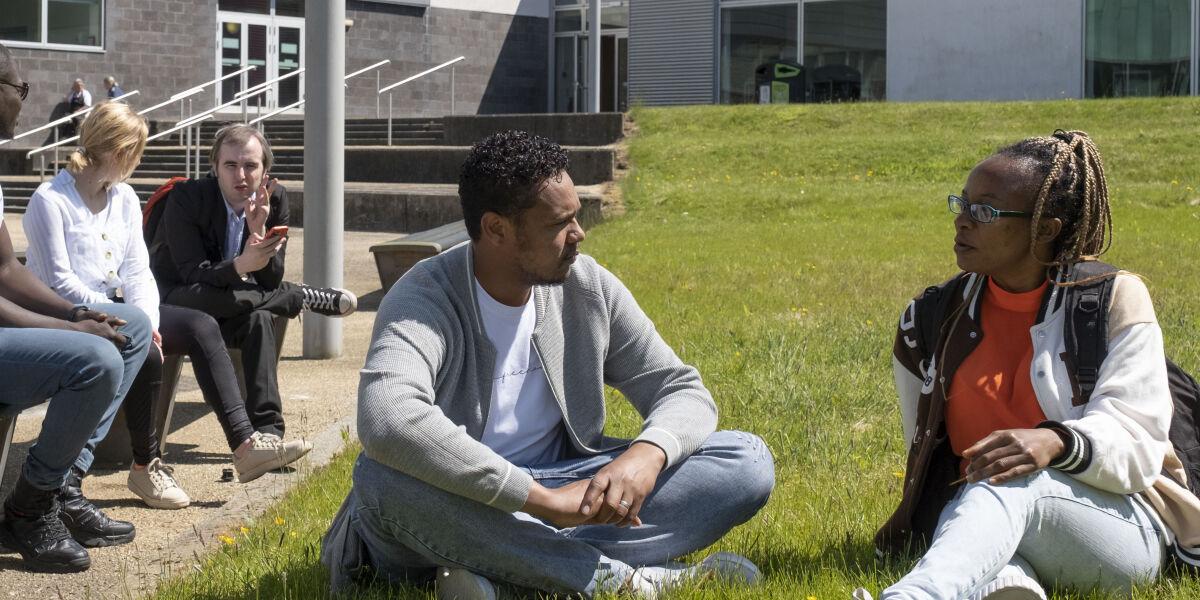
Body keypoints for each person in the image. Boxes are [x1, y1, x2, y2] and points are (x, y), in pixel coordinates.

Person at [320, 131, 776, 599]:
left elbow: (681, 389)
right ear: (496, 229)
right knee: (381, 479)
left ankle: (507, 571)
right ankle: (615, 578)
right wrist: (540, 502)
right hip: (458, 497)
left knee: (745, 460)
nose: (579, 235)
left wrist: (645, 456)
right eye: (560, 224)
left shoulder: (588, 286)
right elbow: (387, 419)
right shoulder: (424, 298)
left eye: (576, 217)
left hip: (564, 487)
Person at [859, 130, 1200, 600]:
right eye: (962, 204)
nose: (962, 222)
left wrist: (1056, 441)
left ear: (1045, 228)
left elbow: (1138, 443)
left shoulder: (1112, 299)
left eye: (986, 212)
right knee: (1003, 578)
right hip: (980, 511)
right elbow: (923, 448)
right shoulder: (930, 317)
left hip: (1122, 521)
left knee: (1013, 481)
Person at [23, 103, 313, 510]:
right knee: (146, 356)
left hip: (121, 310)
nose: (137, 160)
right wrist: (133, 322)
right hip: (67, 315)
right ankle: (145, 466)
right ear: (118, 150)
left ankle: (245, 446)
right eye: (135, 150)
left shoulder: (122, 196)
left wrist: (148, 322)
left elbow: (138, 271)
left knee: (198, 325)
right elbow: (58, 282)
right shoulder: (49, 200)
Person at [0, 42, 149, 573]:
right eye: (19, 87)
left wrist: (74, 316)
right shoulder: (49, 197)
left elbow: (4, 273)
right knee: (97, 358)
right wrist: (75, 322)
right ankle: (30, 504)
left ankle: (63, 482)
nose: (25, 99)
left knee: (130, 323)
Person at [148, 123, 357, 442]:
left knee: (258, 318)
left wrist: (257, 232)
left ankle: (268, 432)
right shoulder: (187, 198)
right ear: (215, 166)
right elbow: (192, 273)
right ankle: (296, 297)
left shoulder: (276, 200)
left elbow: (271, 277)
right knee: (240, 299)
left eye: (250, 166)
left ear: (265, 169)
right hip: (178, 299)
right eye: (231, 165)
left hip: (229, 302)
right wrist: (242, 264)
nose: (241, 176)